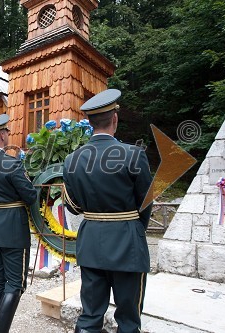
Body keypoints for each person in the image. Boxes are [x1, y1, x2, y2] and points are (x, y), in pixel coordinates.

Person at [62, 89, 153, 333]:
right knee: (128, 319)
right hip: (128, 243)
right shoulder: (134, 154)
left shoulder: (72, 159)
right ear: (115, 119)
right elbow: (145, 203)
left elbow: (72, 205)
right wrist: (134, 229)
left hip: (91, 241)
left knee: (90, 315)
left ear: (90, 123)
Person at [0, 114, 37, 333]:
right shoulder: (12, 164)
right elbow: (30, 196)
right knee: (14, 284)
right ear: (2, 135)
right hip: (12, 229)